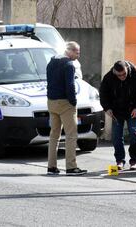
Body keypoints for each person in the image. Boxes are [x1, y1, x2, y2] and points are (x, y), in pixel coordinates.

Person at [46, 41, 87, 176]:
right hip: (65, 103)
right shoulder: (69, 65)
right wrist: (73, 102)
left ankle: (51, 166)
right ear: (69, 51)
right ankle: (71, 167)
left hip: (51, 101)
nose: (78, 55)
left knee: (54, 135)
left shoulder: (51, 62)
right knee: (71, 135)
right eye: (77, 52)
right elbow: (70, 85)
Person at [100, 60, 136, 170]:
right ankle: (120, 160)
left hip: (132, 110)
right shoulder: (108, 77)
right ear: (114, 72)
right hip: (116, 111)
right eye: (119, 75)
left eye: (124, 74)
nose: (122, 77)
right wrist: (107, 108)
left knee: (134, 134)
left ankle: (134, 160)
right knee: (116, 136)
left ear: (127, 69)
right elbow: (103, 94)